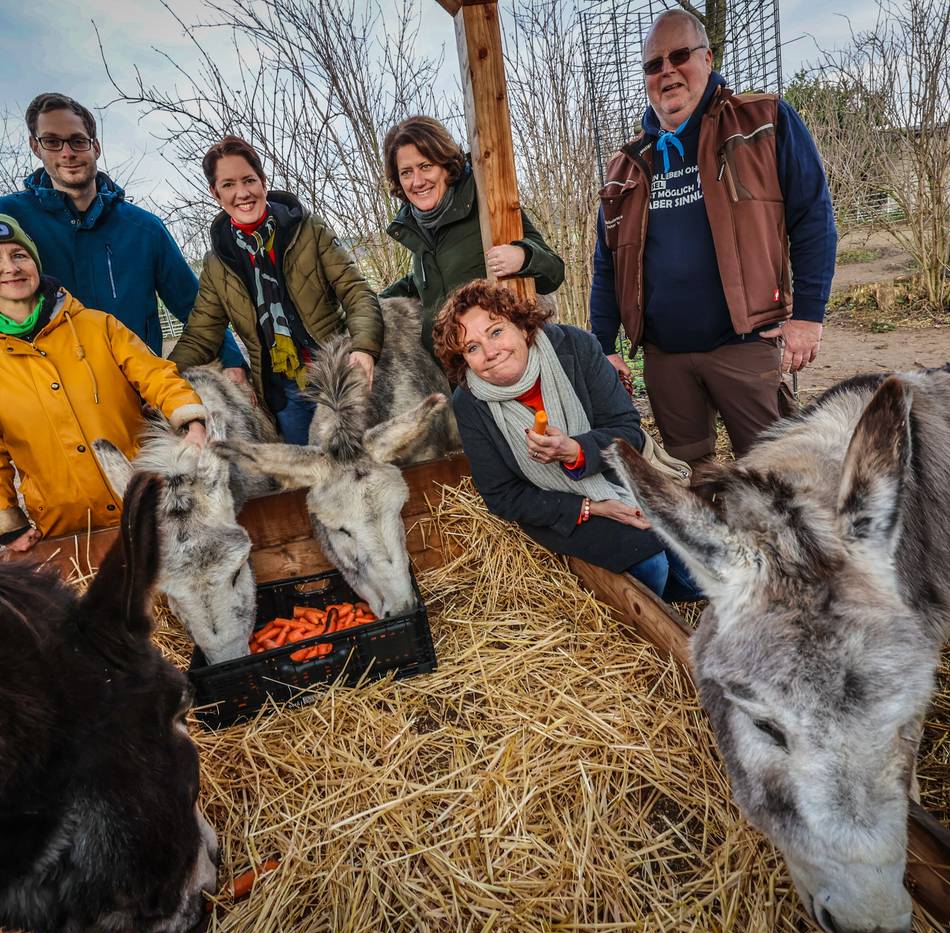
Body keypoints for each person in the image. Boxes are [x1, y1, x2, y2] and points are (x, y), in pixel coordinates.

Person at [589, 9, 837, 463]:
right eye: (654, 64)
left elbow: (813, 217)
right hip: (664, 357)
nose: (667, 71)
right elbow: (607, 264)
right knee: (690, 474)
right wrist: (603, 347)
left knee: (772, 469)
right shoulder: (626, 165)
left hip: (744, 344)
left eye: (679, 56)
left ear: (707, 58)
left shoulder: (763, 122)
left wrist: (808, 316)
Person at [433, 279, 699, 602]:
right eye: (472, 348)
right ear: (463, 360)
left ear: (522, 326)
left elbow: (626, 427)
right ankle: (647, 616)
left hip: (613, 474)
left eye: (496, 332)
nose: (490, 353)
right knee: (651, 562)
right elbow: (501, 495)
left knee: (699, 568)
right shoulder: (469, 403)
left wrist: (577, 450)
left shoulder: (575, 347)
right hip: (558, 507)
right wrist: (591, 507)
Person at [0, 215, 208, 554]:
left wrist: (191, 421)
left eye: (19, 255)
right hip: (68, 531)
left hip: (146, 506)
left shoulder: (99, 327)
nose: (11, 268)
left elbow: (158, 376)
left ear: (35, 260)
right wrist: (8, 525)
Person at [0, 92, 246, 376]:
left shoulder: (144, 228)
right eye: (52, 142)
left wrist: (233, 362)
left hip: (136, 385)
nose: (67, 153)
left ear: (95, 146)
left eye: (78, 141)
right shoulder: (10, 219)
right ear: (35, 146)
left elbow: (194, 306)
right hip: (48, 388)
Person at [169, 136, 383, 445]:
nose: (242, 193)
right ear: (215, 193)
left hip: (335, 378)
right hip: (285, 393)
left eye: (249, 180)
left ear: (263, 181)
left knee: (355, 461)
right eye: (228, 185)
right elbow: (201, 335)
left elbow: (356, 292)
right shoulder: (218, 264)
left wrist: (364, 347)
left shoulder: (309, 230)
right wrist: (161, 380)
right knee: (307, 469)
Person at [381, 116, 565, 358]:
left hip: (499, 358)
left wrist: (523, 256)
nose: (417, 181)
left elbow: (554, 271)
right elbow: (428, 280)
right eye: (406, 172)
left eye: (425, 166)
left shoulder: (487, 203)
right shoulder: (417, 225)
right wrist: (369, 304)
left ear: (445, 165)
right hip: (453, 365)